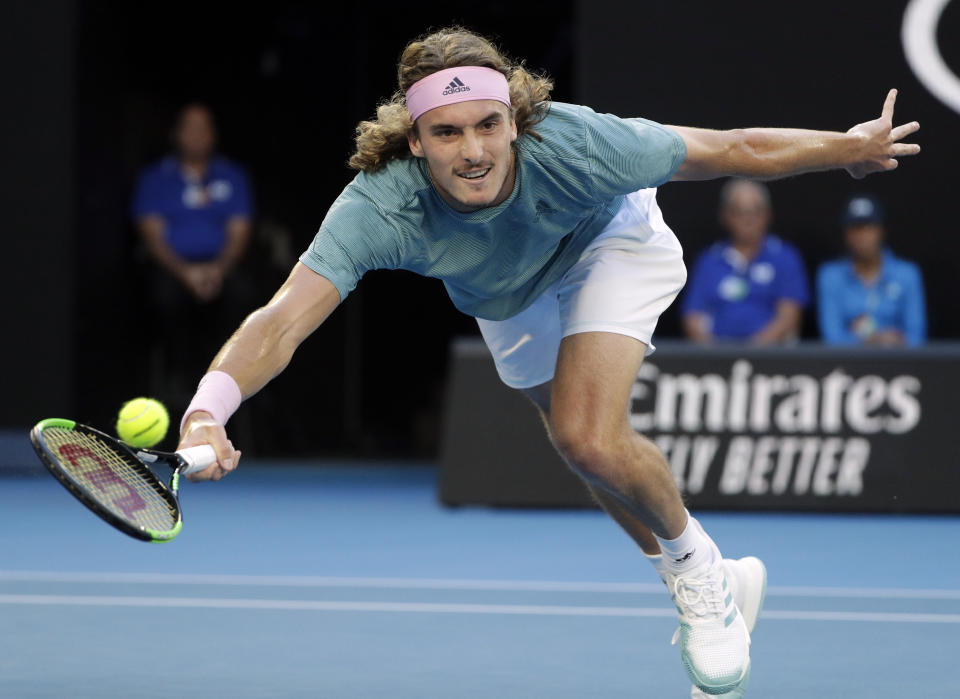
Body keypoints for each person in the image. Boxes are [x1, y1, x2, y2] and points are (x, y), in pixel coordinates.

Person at [174, 28, 920, 697]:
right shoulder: (379, 205)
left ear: (514, 120)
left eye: (488, 125)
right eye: (447, 132)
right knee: (585, 453)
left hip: (609, 246)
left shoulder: (575, 144)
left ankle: (701, 573)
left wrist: (846, 148)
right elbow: (281, 320)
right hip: (508, 297)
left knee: (585, 434)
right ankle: (707, 577)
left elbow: (733, 148)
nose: (472, 150)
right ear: (413, 139)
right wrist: (209, 410)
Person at [131, 103, 254, 402]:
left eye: (204, 128)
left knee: (244, 296)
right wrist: (185, 273)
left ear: (213, 135)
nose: (197, 135)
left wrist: (218, 270)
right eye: (190, 128)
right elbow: (151, 235)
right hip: (173, 269)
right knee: (164, 297)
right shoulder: (156, 178)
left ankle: (229, 377)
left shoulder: (232, 176)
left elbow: (239, 232)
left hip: (219, 269)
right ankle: (178, 375)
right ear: (176, 134)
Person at [682, 179, 809, 344]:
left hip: (771, 358)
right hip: (716, 358)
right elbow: (692, 316)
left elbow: (789, 316)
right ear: (725, 216)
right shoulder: (709, 260)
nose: (748, 219)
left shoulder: (785, 256)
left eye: (756, 211)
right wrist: (716, 357)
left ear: (768, 214)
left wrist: (751, 354)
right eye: (739, 212)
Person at [817, 194, 926, 346]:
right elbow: (832, 338)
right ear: (846, 234)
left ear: (881, 230)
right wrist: (872, 340)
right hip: (848, 366)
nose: (862, 236)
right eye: (855, 229)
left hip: (899, 364)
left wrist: (892, 342)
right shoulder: (830, 275)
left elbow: (916, 337)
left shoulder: (907, 274)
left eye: (869, 227)